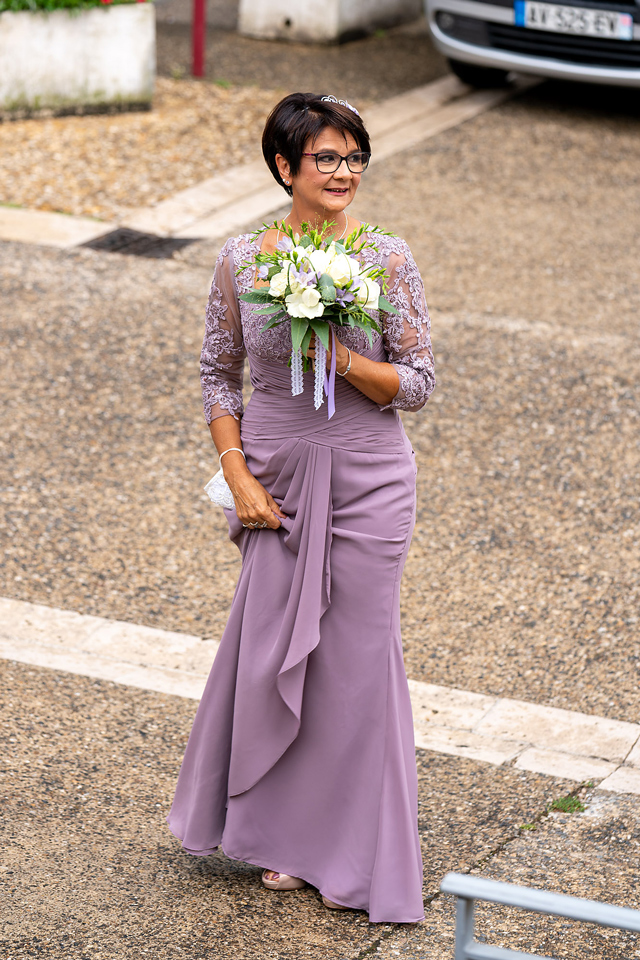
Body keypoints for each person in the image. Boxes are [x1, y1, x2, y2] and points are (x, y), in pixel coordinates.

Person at [167, 92, 435, 924]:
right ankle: (281, 831)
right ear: (285, 166)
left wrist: (339, 349)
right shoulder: (241, 260)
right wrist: (237, 474)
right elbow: (219, 375)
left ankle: (352, 848)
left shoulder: (386, 258)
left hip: (368, 478)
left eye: (355, 156)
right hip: (276, 476)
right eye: (326, 157)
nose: (344, 171)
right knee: (276, 653)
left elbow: (419, 384)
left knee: (354, 665)